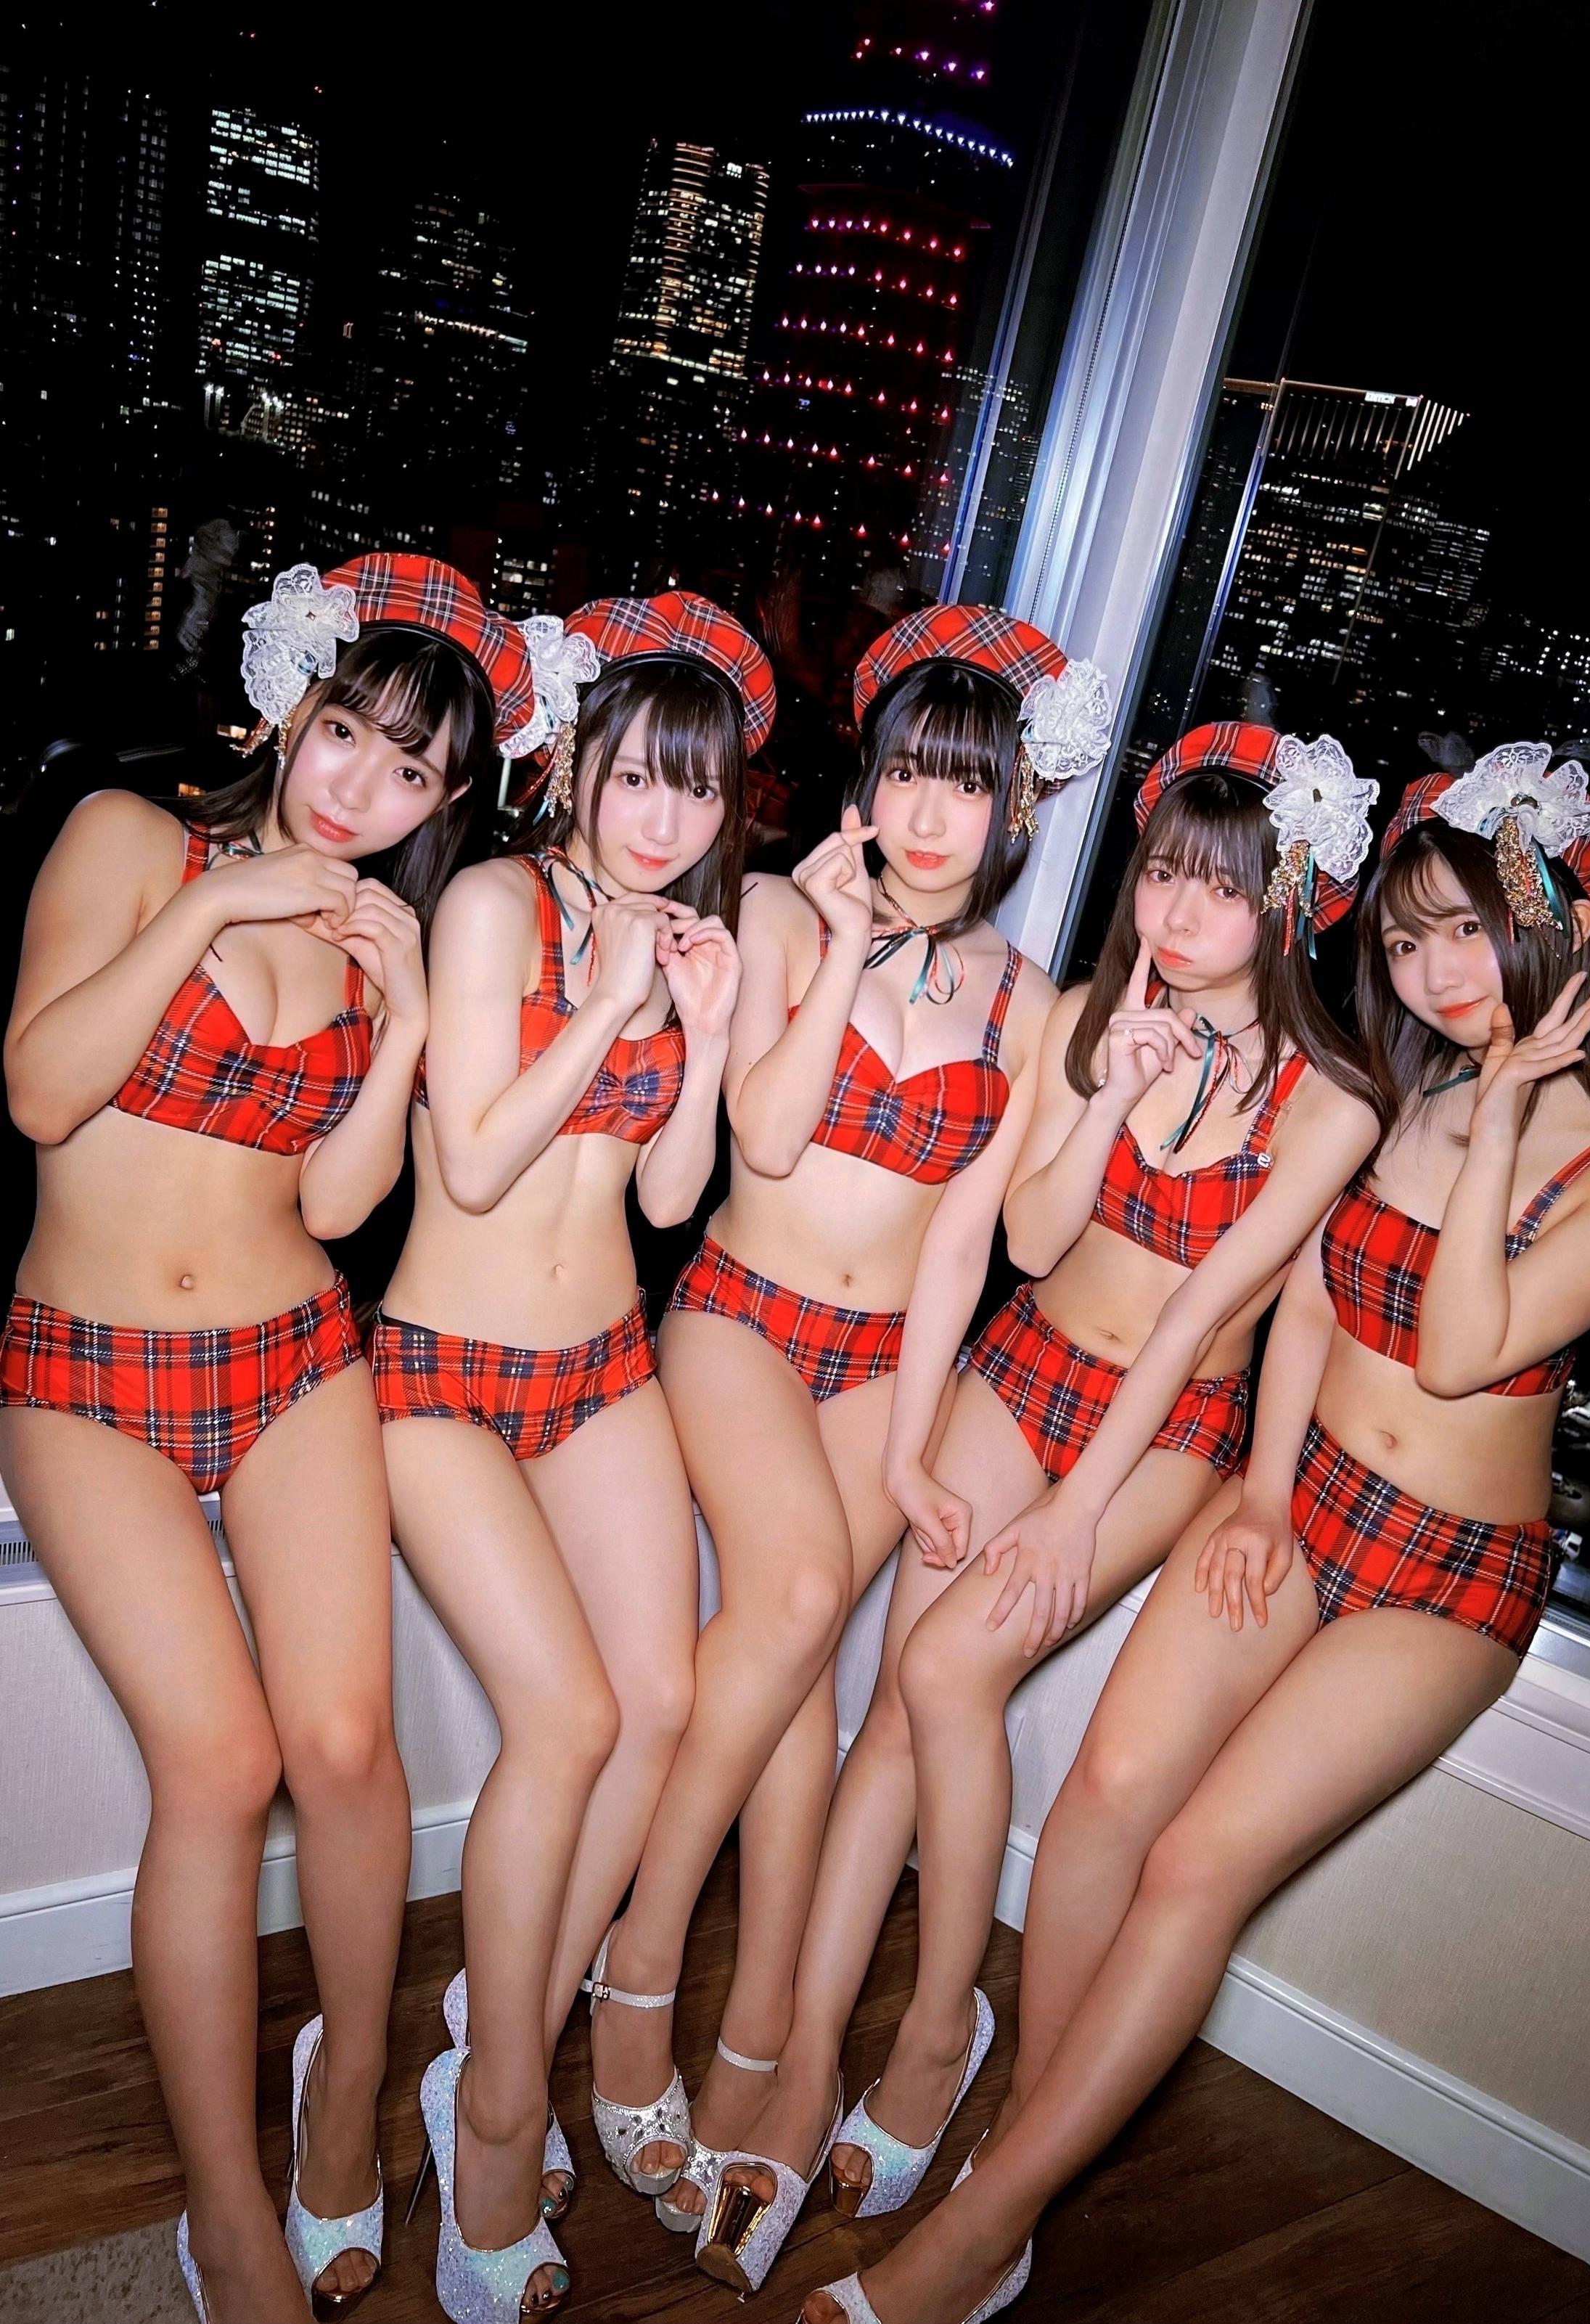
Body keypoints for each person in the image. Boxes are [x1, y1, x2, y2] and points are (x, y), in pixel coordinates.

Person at [804, 742, 1590, 2324]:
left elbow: (1464, 1348)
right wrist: (1266, 1489)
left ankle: (980, 2222)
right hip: (1300, 1497)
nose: (1436, 969)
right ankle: (1024, 2130)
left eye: (1469, 930)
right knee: (1098, 1807)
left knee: (1196, 1862)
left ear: (1562, 927)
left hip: (1446, 1569)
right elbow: (1312, 1304)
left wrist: (1498, 1123)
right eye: (1407, 938)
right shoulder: (1408, 1085)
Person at [734, 720, 1380, 2280]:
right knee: (893, 1710)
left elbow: (1201, 1311)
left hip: (1163, 1431)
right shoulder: (1091, 1015)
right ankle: (810, 2058)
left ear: (1290, 900)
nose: (1179, 912)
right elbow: (1026, 1239)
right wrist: (1104, 1091)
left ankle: (936, 2028)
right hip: (1026, 1361)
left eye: (1221, 887)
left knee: (948, 1665)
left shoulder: (1334, 1099)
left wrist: (1077, 1511)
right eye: (1163, 875)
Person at [0, 555, 533, 2324]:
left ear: (447, 800)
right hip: (85, 1371)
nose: (361, 786)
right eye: (348, 731)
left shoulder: (378, 945)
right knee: (222, 1766)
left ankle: (345, 2098)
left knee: (351, 1745)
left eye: (412, 769)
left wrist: (405, 1026)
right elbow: (41, 1088)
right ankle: (224, 2205)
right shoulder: (125, 841)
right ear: (290, 704)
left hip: (293, 1353)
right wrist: (214, 904)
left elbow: (336, 1201)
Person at [583, 607, 1110, 2294]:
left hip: (887, 1363)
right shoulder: (779, 912)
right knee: (804, 1596)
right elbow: (766, 1130)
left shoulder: (1029, 1002)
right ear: (869, 785)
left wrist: (909, 1443)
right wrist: (838, 946)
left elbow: (973, 1242)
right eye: (908, 774)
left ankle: (766, 2034)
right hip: (740, 1311)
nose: (934, 813)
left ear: (1017, 806)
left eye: (969, 784)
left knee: (804, 1677)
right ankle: (641, 1968)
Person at [373, 592, 768, 2319]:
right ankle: (496, 2109)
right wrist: (610, 1005)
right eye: (639, 773)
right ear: (580, 762)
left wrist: (710, 1026)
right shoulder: (491, 903)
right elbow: (467, 1163)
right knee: (572, 1718)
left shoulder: (687, 933)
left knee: (662, 1703)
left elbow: (669, 1195)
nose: (664, 815)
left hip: (603, 1362)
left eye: (699, 787)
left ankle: (506, 2021)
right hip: (442, 1371)